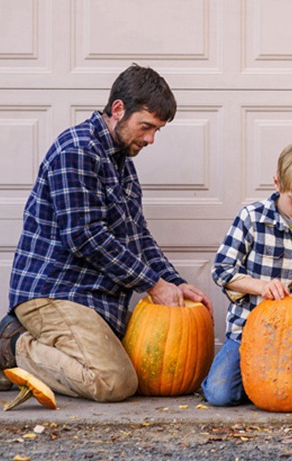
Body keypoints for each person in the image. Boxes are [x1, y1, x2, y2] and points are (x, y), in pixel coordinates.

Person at [0, 64, 212, 402]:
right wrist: (152, 284)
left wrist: (172, 281)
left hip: (94, 299)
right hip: (57, 291)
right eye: (146, 127)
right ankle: (12, 345)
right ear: (118, 110)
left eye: (157, 130)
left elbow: (139, 237)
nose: (150, 139)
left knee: (146, 368)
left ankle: (33, 351)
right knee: (115, 381)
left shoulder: (121, 163)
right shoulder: (77, 150)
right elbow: (85, 236)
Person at [202, 141, 292, 407]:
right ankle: (260, 384)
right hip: (251, 332)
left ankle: (275, 385)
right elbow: (222, 270)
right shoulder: (252, 219)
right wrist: (260, 286)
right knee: (219, 394)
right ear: (278, 183)